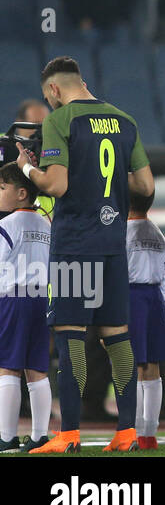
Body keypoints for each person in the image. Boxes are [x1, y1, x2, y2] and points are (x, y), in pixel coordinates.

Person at [22, 56, 154, 454]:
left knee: (71, 339)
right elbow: (145, 184)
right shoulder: (124, 120)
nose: (50, 104)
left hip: (75, 244)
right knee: (118, 338)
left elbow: (56, 185)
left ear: (54, 89)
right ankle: (128, 432)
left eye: (49, 97)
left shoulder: (59, 121)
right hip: (113, 244)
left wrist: (26, 169)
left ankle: (69, 435)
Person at [0, 163, 53, 452]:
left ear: (22, 193)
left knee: (8, 368)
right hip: (41, 299)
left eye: (2, 188)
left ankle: (6, 437)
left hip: (11, 299)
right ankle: (39, 436)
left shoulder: (6, 226)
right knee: (37, 369)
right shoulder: (46, 224)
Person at [125, 190, 165, 450]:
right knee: (152, 367)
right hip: (154, 297)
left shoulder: (122, 232)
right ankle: (149, 434)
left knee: (129, 366)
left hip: (131, 297)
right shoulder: (158, 235)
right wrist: (162, 311)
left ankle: (132, 431)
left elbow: (116, 274)